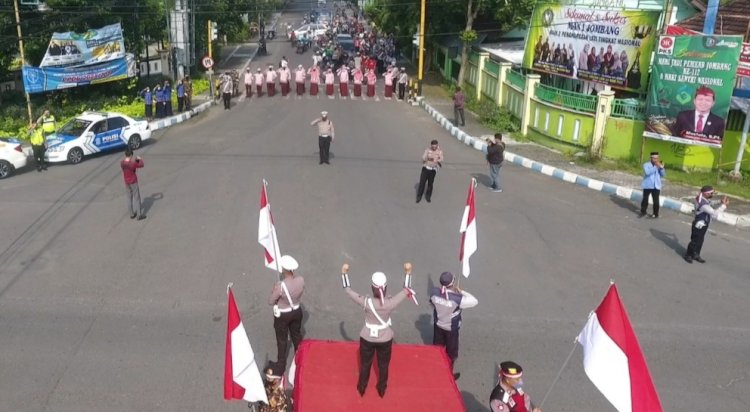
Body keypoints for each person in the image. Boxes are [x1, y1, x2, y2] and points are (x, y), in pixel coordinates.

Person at [340, 262, 415, 397]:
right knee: (383, 365)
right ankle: (382, 388)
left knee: (365, 364)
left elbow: (348, 290)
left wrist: (344, 273)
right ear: (385, 288)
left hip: (367, 338)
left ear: (372, 288)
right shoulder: (390, 303)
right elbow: (407, 289)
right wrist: (408, 272)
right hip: (385, 338)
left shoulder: (367, 302)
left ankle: (362, 387)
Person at [430, 271, 478, 380]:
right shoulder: (457, 299)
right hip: (451, 329)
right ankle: (448, 376)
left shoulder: (433, 293)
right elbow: (475, 301)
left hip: (438, 326)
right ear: (452, 283)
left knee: (437, 350)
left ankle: (436, 371)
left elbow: (432, 304)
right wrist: (461, 291)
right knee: (450, 355)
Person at [268, 255, 305, 371]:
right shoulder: (301, 280)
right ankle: (300, 358)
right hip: (297, 311)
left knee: (282, 339)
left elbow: (271, 301)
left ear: (284, 270)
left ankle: (281, 363)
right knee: (296, 335)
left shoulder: (280, 286)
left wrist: (274, 290)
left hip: (283, 314)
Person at [683, 186, 728, 264]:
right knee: (695, 240)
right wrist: (724, 205)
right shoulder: (703, 204)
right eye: (711, 193)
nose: (712, 194)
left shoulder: (702, 198)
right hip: (699, 224)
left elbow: (710, 203)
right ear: (705, 194)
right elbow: (714, 213)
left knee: (700, 240)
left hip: (703, 223)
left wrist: (720, 201)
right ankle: (688, 255)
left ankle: (696, 254)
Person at [121, 147, 146, 221]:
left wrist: (135, 161)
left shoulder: (122, 163)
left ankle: (131, 214)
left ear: (125, 154)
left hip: (126, 182)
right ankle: (139, 215)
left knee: (129, 198)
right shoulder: (132, 164)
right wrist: (139, 159)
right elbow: (141, 165)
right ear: (131, 155)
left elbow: (132, 165)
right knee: (137, 198)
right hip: (133, 182)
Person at [640, 151, 665, 218]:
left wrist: (662, 168)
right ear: (650, 158)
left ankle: (655, 213)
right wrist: (656, 167)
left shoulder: (659, 165)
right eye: (654, 158)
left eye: (657, 158)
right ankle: (643, 211)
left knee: (656, 201)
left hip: (656, 185)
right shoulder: (646, 165)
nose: (656, 160)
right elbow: (647, 172)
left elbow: (663, 175)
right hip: (648, 185)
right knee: (645, 199)